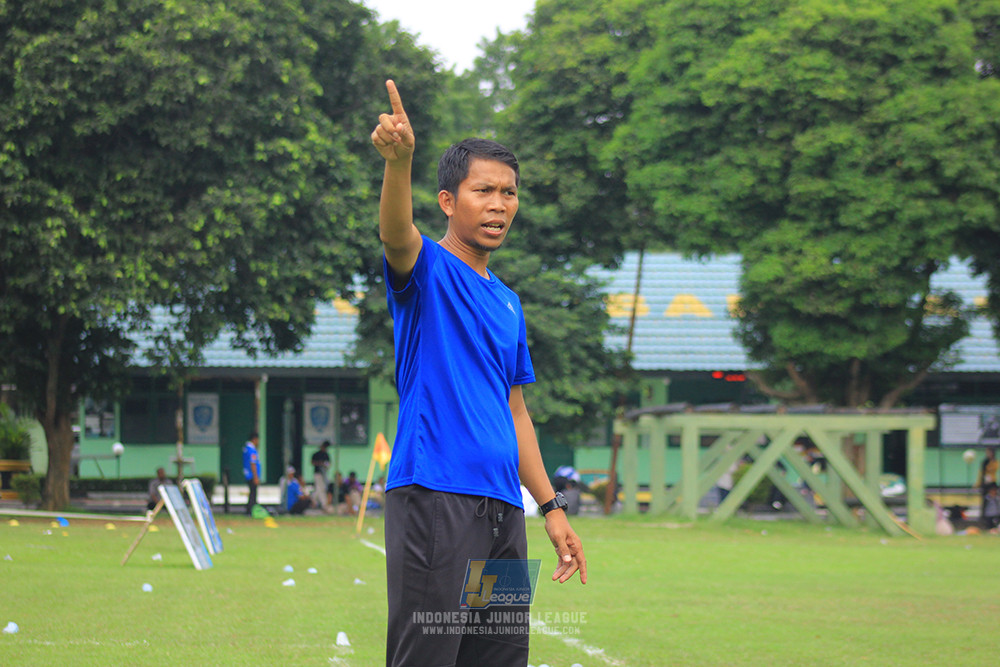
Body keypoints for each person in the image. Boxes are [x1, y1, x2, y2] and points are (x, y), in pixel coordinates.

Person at [371, 79, 586, 667]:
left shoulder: (509, 302)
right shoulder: (428, 270)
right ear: (448, 201)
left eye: (509, 193)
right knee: (428, 657)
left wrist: (551, 507)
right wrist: (399, 163)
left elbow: (516, 413)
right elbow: (395, 234)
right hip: (436, 497)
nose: (499, 204)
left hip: (503, 511)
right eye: (483, 190)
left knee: (500, 658)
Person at [242, 432, 261, 515]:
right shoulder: (251, 450)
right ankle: (251, 510)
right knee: (253, 493)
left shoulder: (246, 448)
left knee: (252, 493)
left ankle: (250, 509)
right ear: (254, 439)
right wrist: (256, 476)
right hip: (251, 475)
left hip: (248, 474)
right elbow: (253, 463)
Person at [311, 440, 332, 512]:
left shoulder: (326, 454)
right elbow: (312, 462)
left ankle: (313, 501)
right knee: (320, 488)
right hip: (318, 473)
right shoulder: (316, 454)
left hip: (324, 473)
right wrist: (320, 463)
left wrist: (325, 465)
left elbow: (329, 464)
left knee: (320, 489)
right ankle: (323, 504)